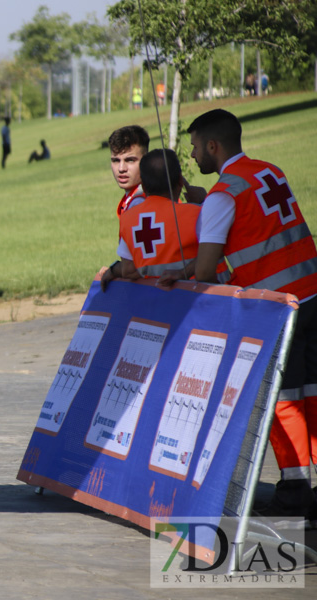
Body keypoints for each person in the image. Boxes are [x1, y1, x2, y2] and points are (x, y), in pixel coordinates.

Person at [159, 109, 317, 520]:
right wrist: (206, 202)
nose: (192, 154)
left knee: (283, 401)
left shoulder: (223, 195)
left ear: (213, 146)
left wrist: (190, 268)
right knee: (313, 395)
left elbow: (210, 270)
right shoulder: (267, 172)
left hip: (281, 311)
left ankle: (296, 493)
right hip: (313, 294)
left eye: (194, 146)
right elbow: (256, 227)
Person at [101, 148, 199, 291]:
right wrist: (203, 202)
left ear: (144, 187)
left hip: (153, 302)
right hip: (196, 299)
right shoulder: (197, 213)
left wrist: (113, 270)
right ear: (180, 181)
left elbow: (129, 270)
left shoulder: (128, 219)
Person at [109, 125, 149, 216]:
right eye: (116, 160)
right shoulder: (132, 197)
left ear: (147, 160)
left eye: (130, 160)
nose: (121, 168)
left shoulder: (140, 202)